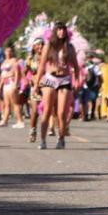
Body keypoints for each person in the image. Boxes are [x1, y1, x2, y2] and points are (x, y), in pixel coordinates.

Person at [35, 21, 80, 150]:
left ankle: (61, 139)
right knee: (47, 110)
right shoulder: (49, 46)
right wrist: (36, 84)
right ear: (55, 31)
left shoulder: (70, 47)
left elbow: (76, 67)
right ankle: (43, 140)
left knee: (61, 113)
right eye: (59, 29)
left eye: (63, 29)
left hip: (64, 80)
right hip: (50, 79)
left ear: (66, 32)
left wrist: (76, 82)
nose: (61, 32)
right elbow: (42, 66)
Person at [0, 44, 26, 127]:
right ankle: (5, 121)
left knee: (15, 103)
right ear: (4, 52)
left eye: (10, 51)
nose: (8, 53)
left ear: (12, 52)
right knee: (7, 104)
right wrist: (0, 86)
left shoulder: (14, 61)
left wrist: (16, 84)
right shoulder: (4, 61)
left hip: (11, 83)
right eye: (7, 51)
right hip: (5, 84)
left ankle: (20, 121)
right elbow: (2, 75)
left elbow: (17, 73)